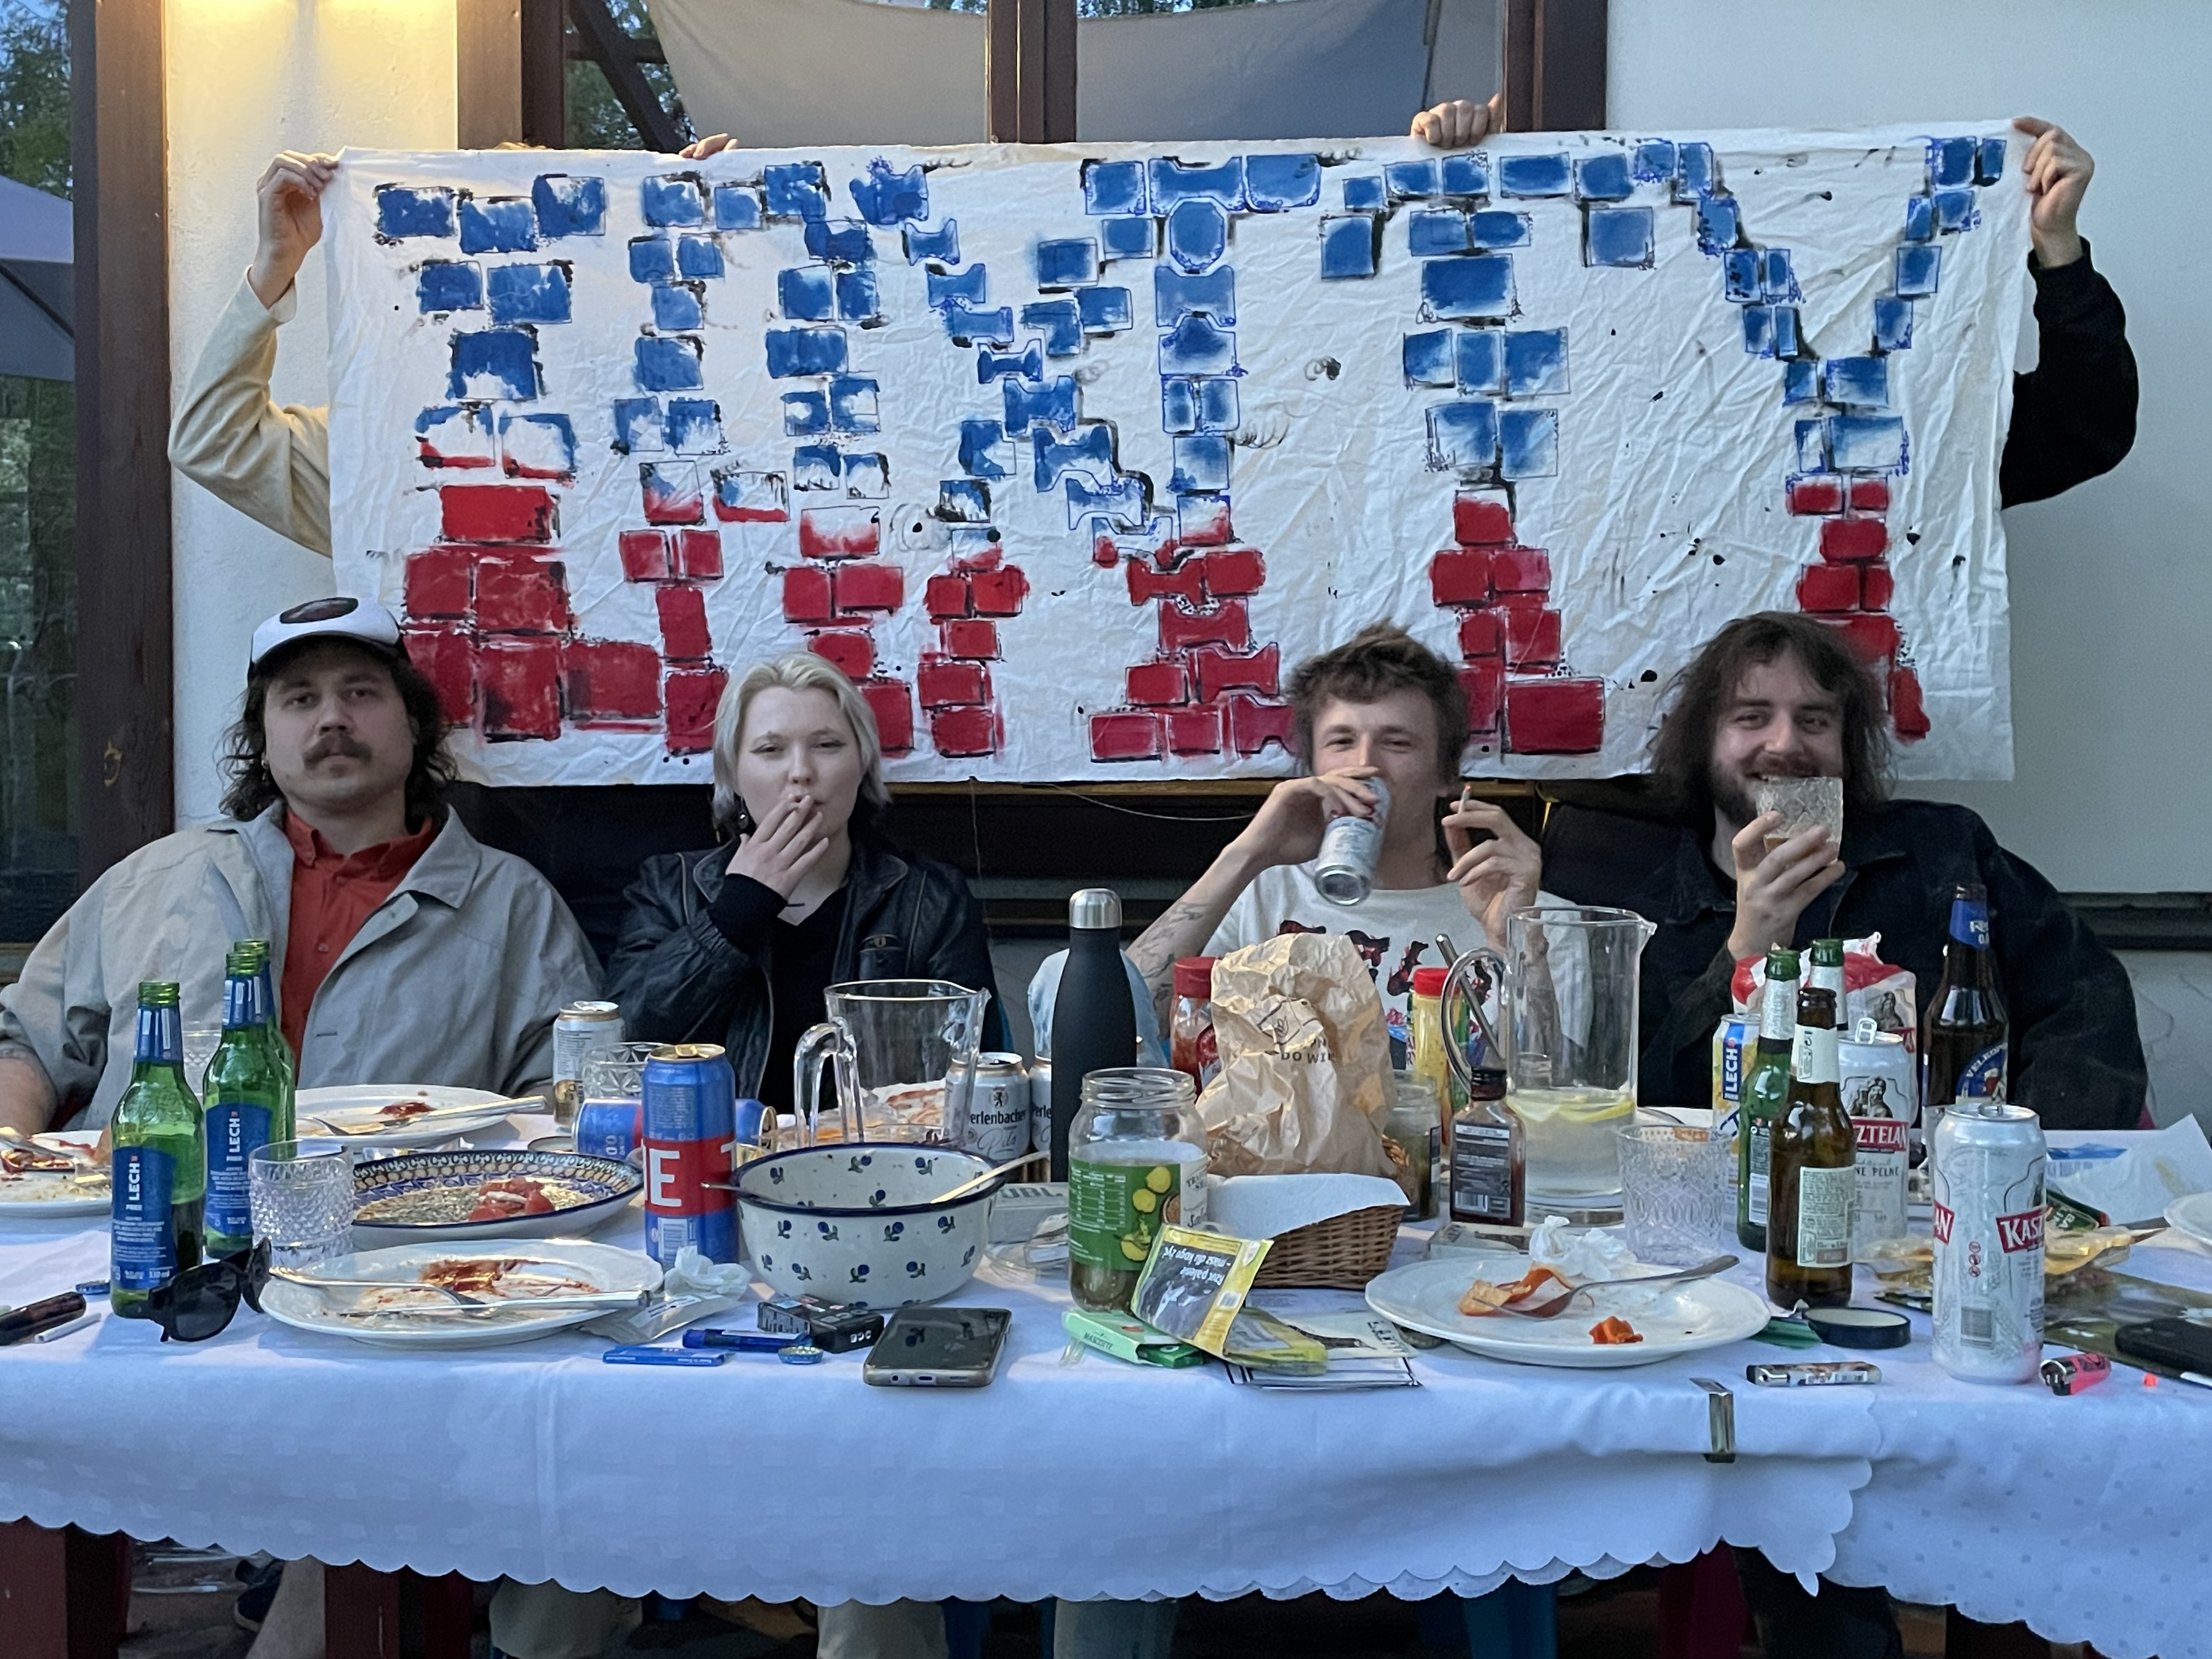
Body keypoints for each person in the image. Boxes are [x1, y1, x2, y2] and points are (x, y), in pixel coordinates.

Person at [0, 596, 599, 1137]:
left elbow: (567, 1098)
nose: (332, 718)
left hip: (403, 1219)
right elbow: (27, 1046)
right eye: (301, 699)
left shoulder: (513, 905)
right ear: (261, 739)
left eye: (360, 693)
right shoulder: (152, 881)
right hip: (149, 1215)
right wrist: (15, 1169)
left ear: (415, 724)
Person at [1539, 610, 2145, 1130]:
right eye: (1751, 717)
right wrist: (1746, 953)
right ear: (1704, 744)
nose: (1784, 744)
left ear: (1846, 745)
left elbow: (2085, 1007)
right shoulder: (1644, 909)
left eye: (1814, 720)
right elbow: (1656, 1109)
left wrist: (2019, 1154)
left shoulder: (1943, 851)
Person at [607, 651, 1006, 1116]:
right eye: (770, 750)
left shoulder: (929, 899)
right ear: (734, 774)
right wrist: (733, 915)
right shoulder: (669, 889)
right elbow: (623, 1051)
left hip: (873, 1153)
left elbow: (973, 1074)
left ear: (863, 763)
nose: (800, 772)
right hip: (711, 1152)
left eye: (827, 745)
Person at [1128, 623, 1544, 1053]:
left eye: (1397, 743)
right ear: (1312, 769)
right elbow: (1122, 1026)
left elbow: (1557, 1078)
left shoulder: (1524, 911)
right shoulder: (1261, 894)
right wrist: (1245, 856)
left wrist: (1515, 939)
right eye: (1342, 741)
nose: (1365, 765)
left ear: (1445, 775)